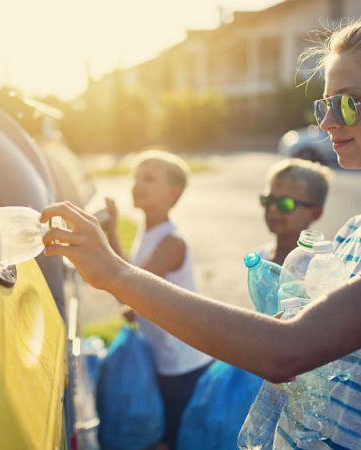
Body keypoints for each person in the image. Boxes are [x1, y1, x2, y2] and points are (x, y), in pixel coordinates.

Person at [42, 11, 361, 449]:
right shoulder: (356, 231)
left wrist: (116, 274)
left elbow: (284, 352)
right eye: (324, 104)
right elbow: (302, 361)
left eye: (348, 104)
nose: (327, 122)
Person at [99, 149, 213, 450]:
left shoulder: (171, 241)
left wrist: (132, 304)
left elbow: (130, 286)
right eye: (136, 178)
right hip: (162, 355)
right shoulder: (147, 231)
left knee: (172, 437)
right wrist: (111, 230)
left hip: (181, 361)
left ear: (172, 194)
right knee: (161, 432)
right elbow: (129, 278)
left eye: (149, 179)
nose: (137, 185)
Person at [256, 158, 333, 264]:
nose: (272, 208)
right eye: (268, 200)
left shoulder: (316, 266)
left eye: (285, 204)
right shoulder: (261, 255)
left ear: (316, 213)